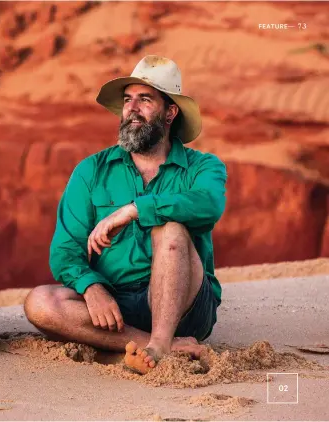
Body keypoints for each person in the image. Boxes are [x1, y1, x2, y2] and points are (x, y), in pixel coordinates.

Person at [24, 56, 227, 374]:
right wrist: (92, 288)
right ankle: (158, 343)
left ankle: (159, 347)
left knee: (170, 229)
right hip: (114, 304)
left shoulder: (203, 166)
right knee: (40, 303)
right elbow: (65, 251)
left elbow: (209, 205)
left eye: (145, 100)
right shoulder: (91, 170)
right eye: (128, 100)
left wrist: (134, 210)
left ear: (170, 112)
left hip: (186, 304)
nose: (132, 108)